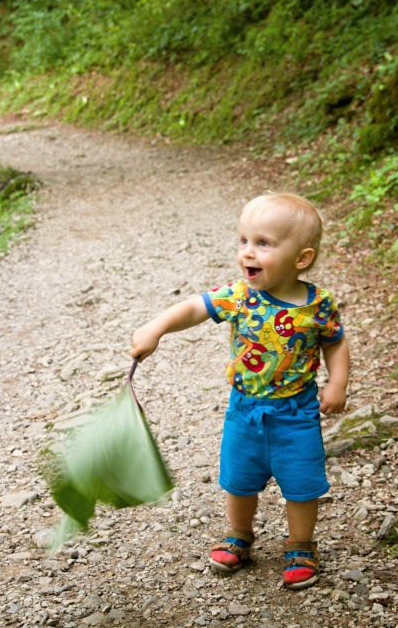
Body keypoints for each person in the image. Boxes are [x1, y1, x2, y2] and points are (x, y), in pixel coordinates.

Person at [131, 192, 350, 590]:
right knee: (238, 479)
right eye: (244, 241)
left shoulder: (318, 305)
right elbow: (195, 307)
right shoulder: (239, 295)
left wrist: (337, 383)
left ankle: (301, 545)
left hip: (296, 413)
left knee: (302, 483)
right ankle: (239, 535)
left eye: (263, 243)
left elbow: (335, 342)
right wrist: (156, 327)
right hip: (245, 409)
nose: (247, 252)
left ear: (301, 258)